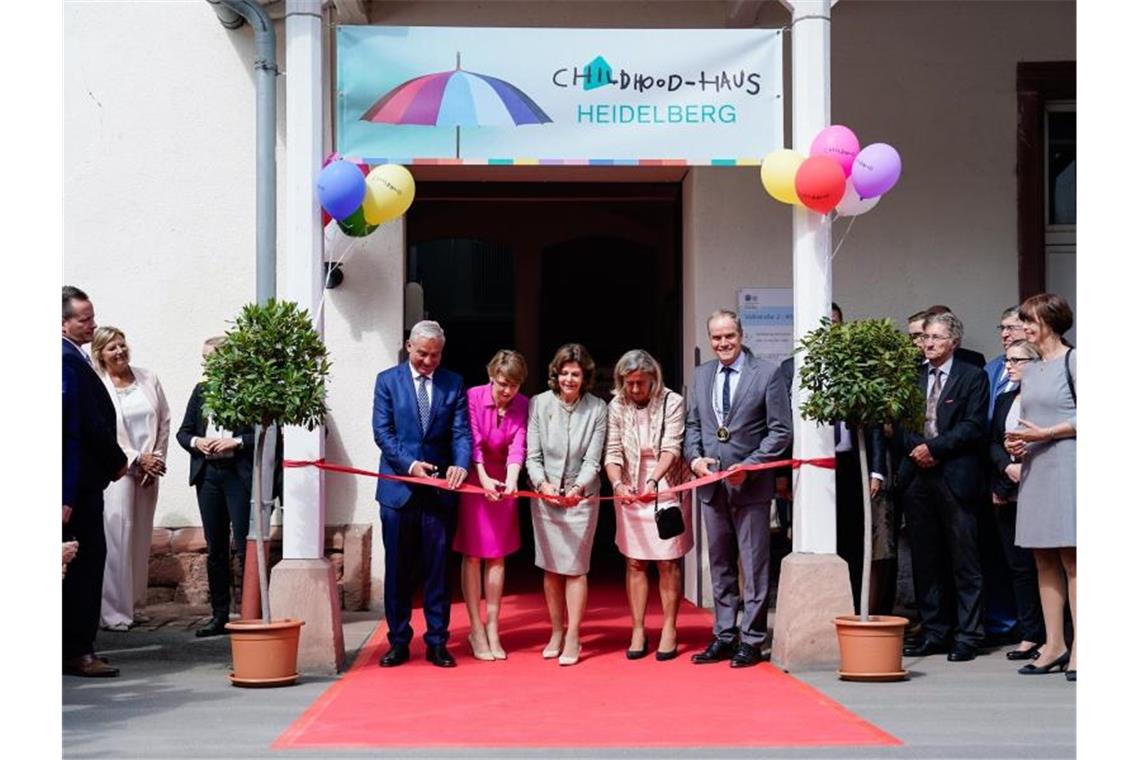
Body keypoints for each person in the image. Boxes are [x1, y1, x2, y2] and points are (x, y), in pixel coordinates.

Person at [683, 309, 791, 668]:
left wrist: (751, 465)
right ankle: (724, 635)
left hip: (751, 487)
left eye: (729, 336)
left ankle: (753, 638)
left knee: (754, 565)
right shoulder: (701, 375)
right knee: (720, 564)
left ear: (741, 335)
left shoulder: (767, 374)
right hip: (712, 487)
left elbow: (780, 430)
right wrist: (695, 459)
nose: (723, 343)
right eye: (716, 338)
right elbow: (693, 425)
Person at [373, 320, 472, 668]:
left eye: (436, 355)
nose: (429, 361)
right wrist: (409, 465)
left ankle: (437, 641)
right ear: (408, 347)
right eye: (423, 354)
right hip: (398, 491)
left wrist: (461, 464)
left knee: (437, 570)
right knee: (398, 570)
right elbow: (383, 433)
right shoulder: (387, 381)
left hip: (439, 492)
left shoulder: (453, 383)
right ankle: (399, 641)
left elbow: (461, 433)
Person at [899, 311, 990, 662]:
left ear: (952, 341)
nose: (928, 343)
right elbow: (899, 422)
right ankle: (934, 631)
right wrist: (916, 447)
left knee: (964, 560)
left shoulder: (972, 376)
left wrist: (933, 449)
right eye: (925, 338)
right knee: (926, 558)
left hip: (955, 475)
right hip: (917, 476)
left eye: (935, 338)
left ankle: (968, 635)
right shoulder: (913, 376)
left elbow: (973, 426)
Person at [604, 349, 692, 662]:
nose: (635, 390)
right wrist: (617, 483)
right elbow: (612, 452)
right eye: (629, 383)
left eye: (641, 383)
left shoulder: (672, 401)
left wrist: (654, 480)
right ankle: (638, 628)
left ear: (653, 380)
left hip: (665, 484)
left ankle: (670, 627)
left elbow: (672, 447)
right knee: (635, 562)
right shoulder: (615, 405)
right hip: (628, 486)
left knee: (667, 562)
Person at [1005, 293, 1076, 682]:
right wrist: (1015, 442)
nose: (1025, 328)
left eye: (1030, 321)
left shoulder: (1074, 360)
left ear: (1051, 321)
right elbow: (1026, 420)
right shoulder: (1030, 370)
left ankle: (1082, 645)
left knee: (1073, 558)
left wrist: (1047, 433)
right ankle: (1053, 644)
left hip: (1067, 463)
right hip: (1036, 465)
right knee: (1042, 557)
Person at [525, 343, 608, 666]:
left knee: (575, 568)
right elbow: (533, 456)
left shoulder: (598, 408)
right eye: (564, 373)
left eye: (576, 374)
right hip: (545, 497)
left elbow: (594, 459)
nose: (569, 379)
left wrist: (576, 487)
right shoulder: (538, 404)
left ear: (585, 376)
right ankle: (556, 631)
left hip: (581, 498)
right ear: (555, 375)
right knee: (551, 568)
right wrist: (543, 485)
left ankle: (573, 634)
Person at [62, 285, 128, 677]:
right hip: (78, 486)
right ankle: (78, 650)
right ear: (63, 322)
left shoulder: (74, 356)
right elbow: (76, 428)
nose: (93, 324)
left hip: (81, 481)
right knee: (84, 567)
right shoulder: (65, 362)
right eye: (84, 319)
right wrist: (116, 462)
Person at [91, 326, 171, 631]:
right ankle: (113, 612)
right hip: (118, 470)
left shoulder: (148, 378)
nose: (120, 352)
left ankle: (135, 604)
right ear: (100, 354)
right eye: (112, 348)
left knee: (139, 537)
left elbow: (163, 420)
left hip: (149, 471)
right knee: (117, 537)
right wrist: (137, 458)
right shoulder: (98, 384)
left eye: (122, 345)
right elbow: (102, 430)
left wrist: (156, 459)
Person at [454, 350, 529, 662]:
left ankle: (494, 628)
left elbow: (518, 443)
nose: (507, 391)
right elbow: (471, 441)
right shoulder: (472, 396)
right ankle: (475, 627)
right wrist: (483, 478)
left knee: (497, 557)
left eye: (513, 385)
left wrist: (512, 479)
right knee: (473, 556)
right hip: (477, 477)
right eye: (501, 384)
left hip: (504, 481)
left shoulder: (523, 404)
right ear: (490, 378)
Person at [176, 337, 254, 638]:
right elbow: (184, 433)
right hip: (208, 474)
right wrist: (199, 442)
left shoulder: (248, 390)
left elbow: (266, 433)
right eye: (204, 357)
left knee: (245, 546)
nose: (206, 363)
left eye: (211, 358)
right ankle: (219, 614)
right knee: (216, 547)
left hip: (238, 474)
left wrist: (236, 441)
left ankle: (249, 613)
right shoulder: (201, 391)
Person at [988, 339, 1046, 661]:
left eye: (1016, 360)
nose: (1008, 365)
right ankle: (1030, 633)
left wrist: (1028, 457)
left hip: (1042, 484)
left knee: (1049, 564)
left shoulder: (1050, 401)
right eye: (1007, 360)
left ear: (1035, 364)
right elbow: (993, 441)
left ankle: (1057, 635)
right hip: (1008, 488)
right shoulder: (1004, 398)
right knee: (1018, 566)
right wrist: (1005, 467)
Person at [984, 306, 1026, 420]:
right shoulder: (991, 367)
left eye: (1010, 328)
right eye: (1002, 328)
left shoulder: (1038, 365)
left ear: (1027, 328)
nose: (1004, 334)